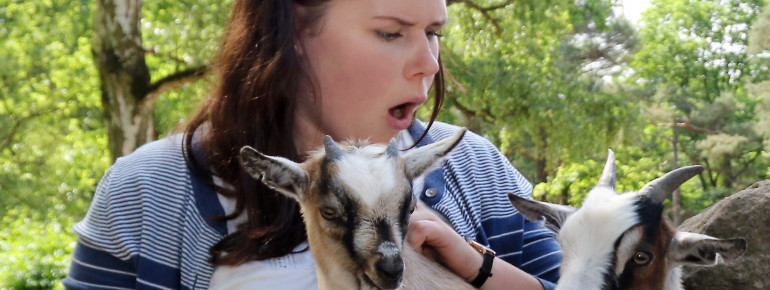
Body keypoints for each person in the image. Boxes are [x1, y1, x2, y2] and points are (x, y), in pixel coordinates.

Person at [63, 0, 562, 289]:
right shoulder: (149, 190)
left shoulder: (477, 168)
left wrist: (478, 268)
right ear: (293, 32)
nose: (429, 63)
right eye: (391, 33)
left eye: (433, 32)